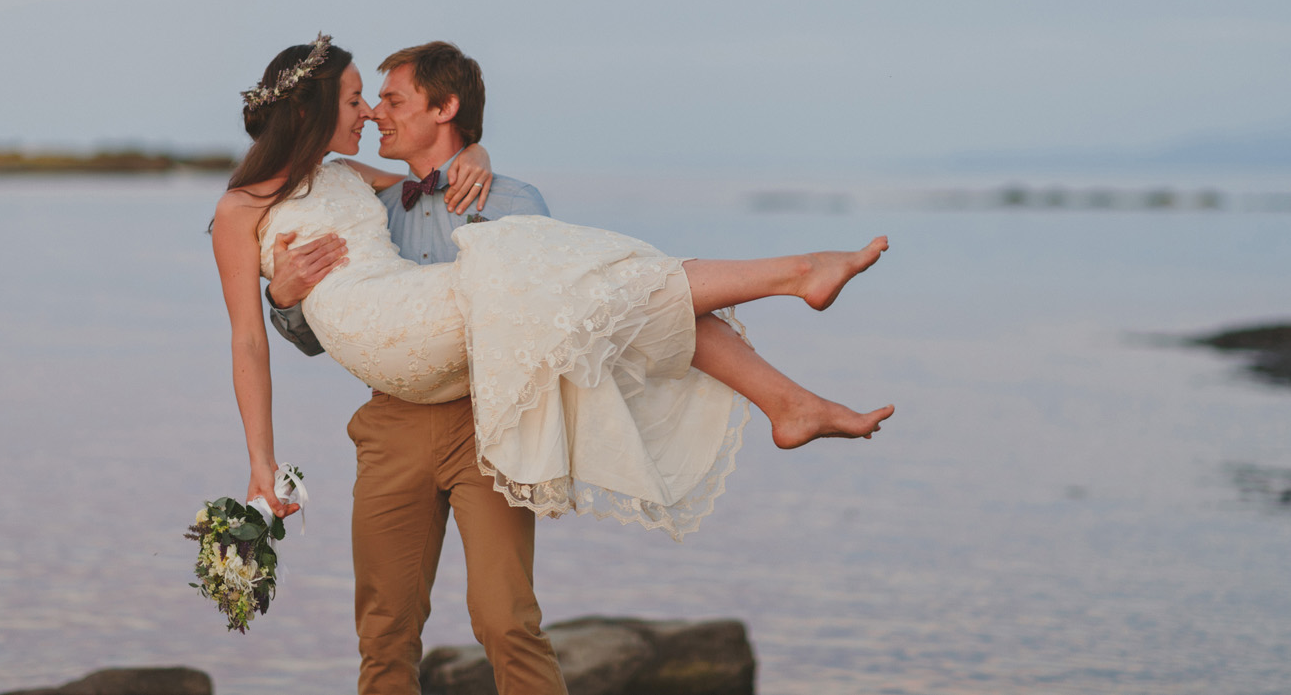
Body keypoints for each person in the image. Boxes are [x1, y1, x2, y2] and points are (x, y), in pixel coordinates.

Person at [211, 35, 894, 695]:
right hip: (392, 421)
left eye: (385, 98)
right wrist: (282, 295)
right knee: (384, 630)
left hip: (488, 411)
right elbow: (290, 333)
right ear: (309, 108)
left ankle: (793, 339)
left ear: (443, 111)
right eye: (362, 99)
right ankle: (794, 315)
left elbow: (557, 314)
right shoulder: (357, 197)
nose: (370, 112)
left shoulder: (501, 197)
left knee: (507, 619)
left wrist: (473, 152)